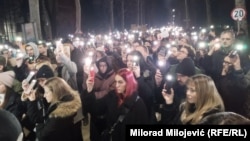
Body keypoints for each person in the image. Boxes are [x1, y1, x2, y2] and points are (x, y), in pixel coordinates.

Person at [86, 68, 149, 141]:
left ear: (129, 83)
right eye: (116, 82)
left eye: (120, 82)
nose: (117, 85)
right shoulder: (112, 96)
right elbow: (96, 109)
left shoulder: (138, 103)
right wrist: (89, 91)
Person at [24, 77, 83, 141]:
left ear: (55, 92)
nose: (44, 95)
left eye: (46, 92)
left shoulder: (57, 116)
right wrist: (32, 100)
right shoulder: (67, 101)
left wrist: (38, 123)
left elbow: (41, 136)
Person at [161, 74, 225, 124]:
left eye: (192, 90)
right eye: (187, 89)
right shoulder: (185, 107)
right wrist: (169, 102)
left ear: (204, 92)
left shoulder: (212, 118)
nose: (187, 93)